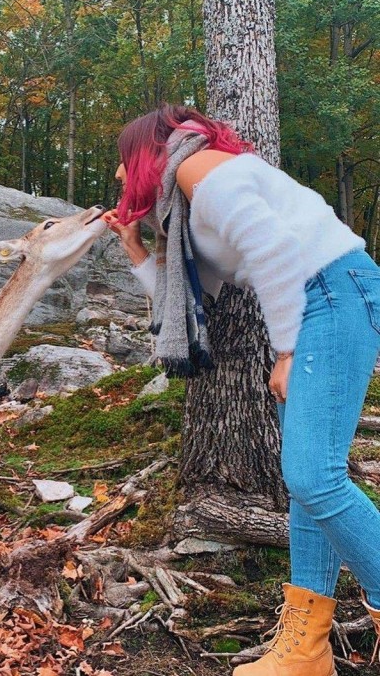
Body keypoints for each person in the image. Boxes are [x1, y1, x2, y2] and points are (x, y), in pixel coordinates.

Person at [103, 104, 380, 675]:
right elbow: (190, 302)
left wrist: (286, 350)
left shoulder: (199, 170)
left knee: (311, 475)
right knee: (308, 481)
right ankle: (305, 651)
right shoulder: (187, 206)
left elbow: (277, 251)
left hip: (333, 291)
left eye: (121, 161)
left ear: (145, 153)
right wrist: (133, 246)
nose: (117, 174)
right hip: (324, 297)